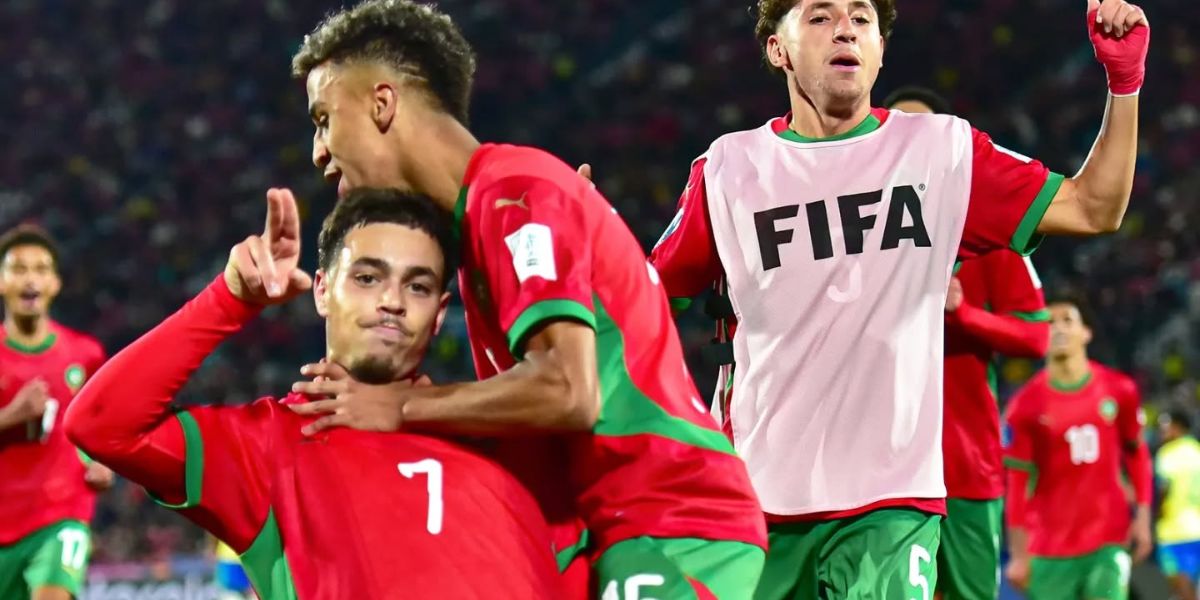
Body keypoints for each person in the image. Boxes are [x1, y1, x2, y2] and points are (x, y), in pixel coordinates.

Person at [647, 0, 1148, 596]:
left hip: (892, 502)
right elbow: (644, 297)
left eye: (862, 19)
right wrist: (585, 236)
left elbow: (1094, 207)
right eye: (820, 17)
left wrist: (1124, 83)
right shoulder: (729, 168)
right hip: (755, 501)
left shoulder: (942, 151)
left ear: (880, 50)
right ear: (777, 49)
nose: (846, 30)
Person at [284, 1, 767, 597]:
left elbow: (567, 390)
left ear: (383, 103)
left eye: (324, 119)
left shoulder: (515, 194)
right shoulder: (491, 222)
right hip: (616, 534)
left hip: (668, 525)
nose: (318, 150)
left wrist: (398, 406)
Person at [65, 189, 563, 599]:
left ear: (439, 313)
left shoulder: (495, 425)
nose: (392, 301)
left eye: (418, 287)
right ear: (322, 289)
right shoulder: (266, 445)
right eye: (367, 278)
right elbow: (100, 423)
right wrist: (228, 299)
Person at [887, 87, 1051, 600]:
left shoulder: (989, 234)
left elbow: (1036, 337)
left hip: (962, 466)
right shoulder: (854, 233)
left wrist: (964, 314)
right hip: (876, 470)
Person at [1002, 298, 1152, 600]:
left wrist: (1143, 518)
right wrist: (1018, 553)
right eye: (1049, 322)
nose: (1058, 328)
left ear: (1086, 332)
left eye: (1067, 320)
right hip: (1049, 549)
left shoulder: (1119, 389)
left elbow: (1137, 454)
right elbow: (1017, 484)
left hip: (1108, 539)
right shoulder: (1024, 407)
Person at [0, 224, 113, 600]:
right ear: (1, 282)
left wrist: (104, 463)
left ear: (55, 284)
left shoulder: (86, 354)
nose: (30, 279)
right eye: (18, 269)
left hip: (61, 513)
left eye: (41, 269)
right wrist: (10, 416)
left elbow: (102, 428)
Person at [1155, 406, 1200, 600]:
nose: (1161, 430)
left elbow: (1163, 489)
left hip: (1174, 533)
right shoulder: (1197, 450)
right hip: (1197, 529)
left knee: (1182, 591)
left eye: (1166, 425)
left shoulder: (1167, 453)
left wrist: (1153, 515)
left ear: (1179, 426)